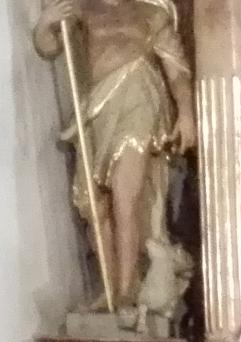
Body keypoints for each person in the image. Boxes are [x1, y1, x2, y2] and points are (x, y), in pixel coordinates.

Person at [33, 0, 196, 317]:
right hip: (97, 109)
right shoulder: (81, 9)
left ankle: (125, 293)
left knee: (126, 195)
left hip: (140, 99)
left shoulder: (153, 13)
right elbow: (49, 48)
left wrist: (186, 113)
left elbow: (176, 70)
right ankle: (109, 289)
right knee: (95, 205)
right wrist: (45, 24)